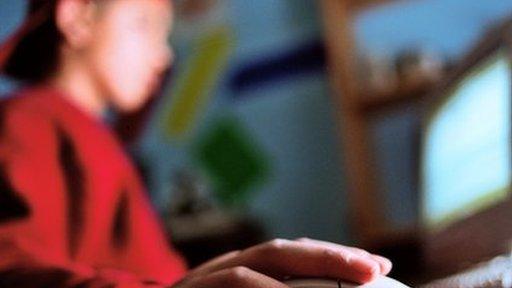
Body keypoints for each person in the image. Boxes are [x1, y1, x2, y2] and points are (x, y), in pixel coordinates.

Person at [0, 0, 392, 287]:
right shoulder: (28, 120)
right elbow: (10, 268)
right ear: (78, 15)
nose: (165, 55)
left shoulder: (94, 135)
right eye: (145, 24)